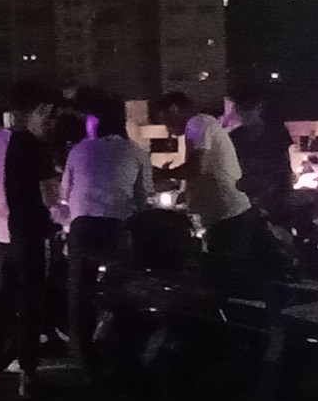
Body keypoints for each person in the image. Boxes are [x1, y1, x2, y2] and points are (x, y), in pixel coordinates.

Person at [61, 97, 152, 376]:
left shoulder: (79, 150)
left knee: (79, 292)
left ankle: (85, 361)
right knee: (123, 288)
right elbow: (143, 199)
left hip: (83, 225)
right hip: (117, 226)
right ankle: (122, 352)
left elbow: (65, 193)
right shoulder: (136, 152)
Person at [0, 81, 58, 397]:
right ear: (40, 109)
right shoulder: (36, 145)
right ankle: (28, 373)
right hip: (31, 233)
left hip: (5, 234)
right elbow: (50, 196)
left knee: (2, 303)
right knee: (30, 304)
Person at [158, 92, 255, 258]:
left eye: (166, 121)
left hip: (227, 214)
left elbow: (195, 168)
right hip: (224, 216)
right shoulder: (202, 126)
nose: (169, 130)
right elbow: (203, 171)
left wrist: (162, 173)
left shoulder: (197, 123)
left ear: (174, 109)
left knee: (223, 264)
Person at [226, 86, 294, 223]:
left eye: (248, 109)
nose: (244, 114)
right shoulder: (235, 137)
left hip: (275, 195)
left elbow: (284, 164)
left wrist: (286, 191)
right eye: (240, 109)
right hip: (247, 197)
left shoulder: (276, 131)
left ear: (259, 107)